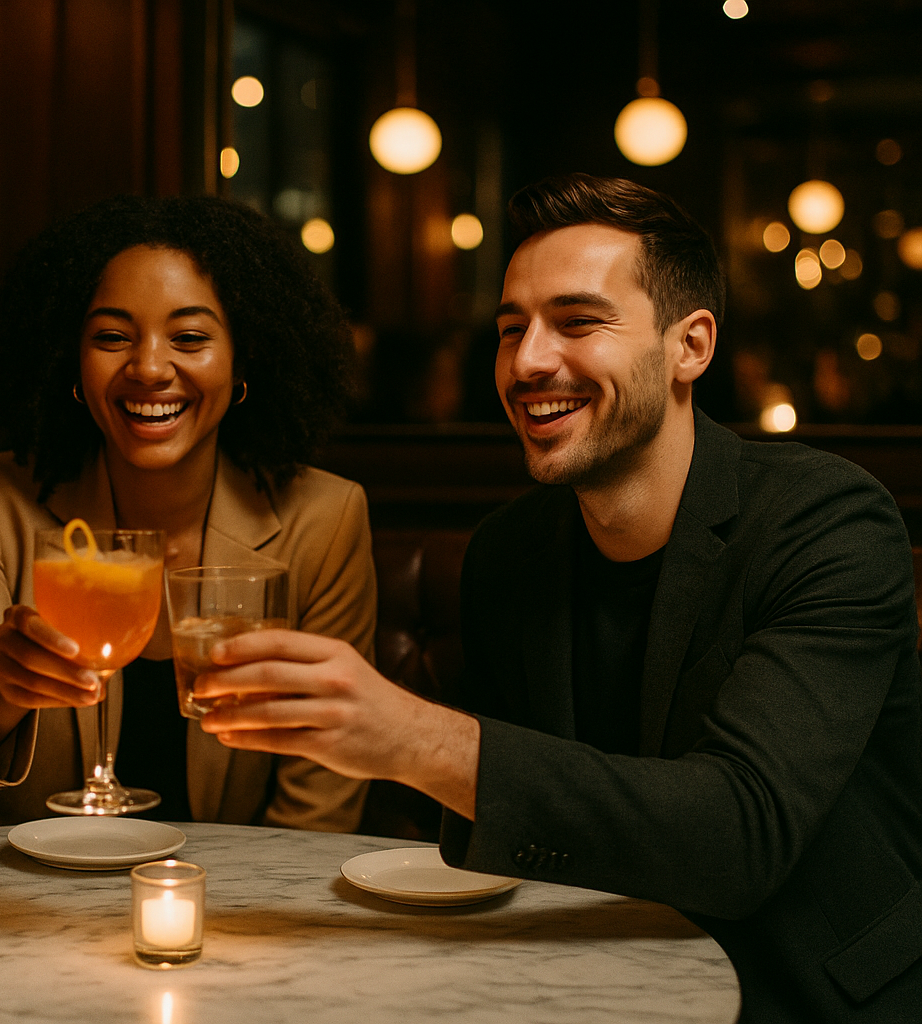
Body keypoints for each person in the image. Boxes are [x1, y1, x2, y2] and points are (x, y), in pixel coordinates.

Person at [194, 174, 922, 1021]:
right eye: (511, 330)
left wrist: (409, 736)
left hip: (816, 998)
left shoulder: (826, 522)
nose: (529, 361)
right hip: (595, 989)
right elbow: (529, 855)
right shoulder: (510, 553)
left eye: (578, 322)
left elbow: (740, 832)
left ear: (690, 347)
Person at [0, 194, 374, 830]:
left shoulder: (325, 519)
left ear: (243, 359)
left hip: (244, 905)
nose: (148, 368)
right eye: (112, 337)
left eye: (190, 338)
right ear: (72, 360)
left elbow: (320, 805)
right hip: (27, 903)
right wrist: (4, 693)